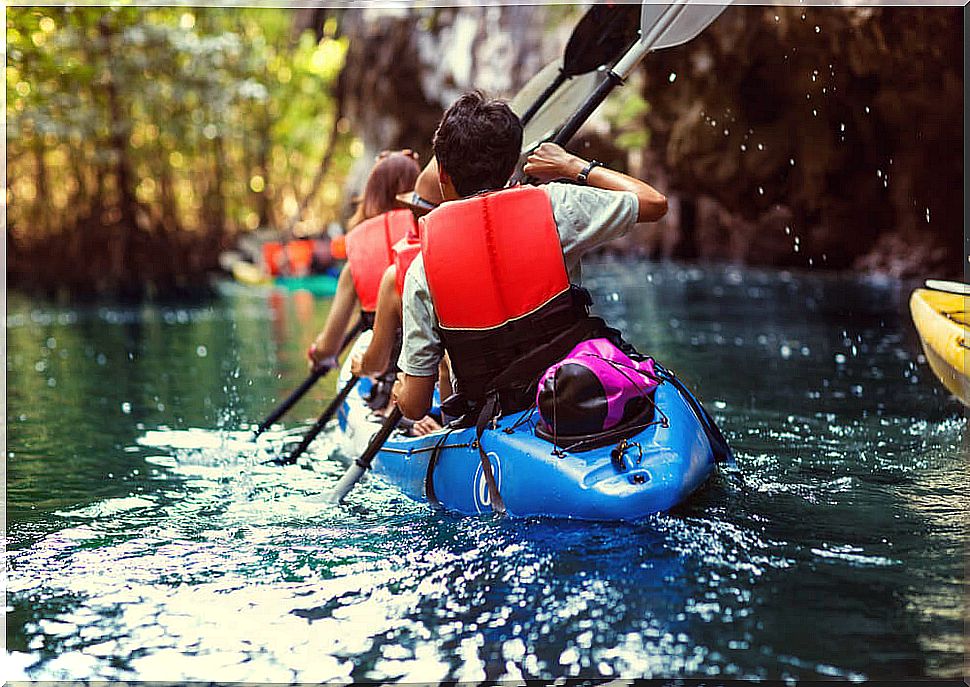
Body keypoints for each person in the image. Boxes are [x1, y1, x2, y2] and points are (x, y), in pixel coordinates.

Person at [392, 91, 668, 422]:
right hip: (578, 389)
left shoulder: (422, 270)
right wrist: (572, 165)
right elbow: (653, 202)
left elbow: (415, 405)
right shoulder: (556, 206)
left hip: (494, 418)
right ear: (512, 167)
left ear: (443, 178)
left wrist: (399, 393)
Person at [306, 150, 420, 372]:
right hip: (434, 371)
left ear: (371, 195)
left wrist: (316, 354)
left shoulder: (356, 263)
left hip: (383, 374)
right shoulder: (431, 237)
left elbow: (328, 347)